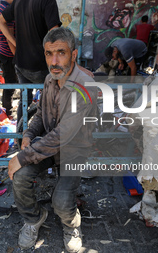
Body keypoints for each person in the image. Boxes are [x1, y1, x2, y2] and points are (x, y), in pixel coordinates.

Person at [7, 28, 96, 252]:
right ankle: (34, 218)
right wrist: (28, 135)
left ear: (73, 55)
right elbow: (40, 113)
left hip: (73, 151)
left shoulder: (85, 86)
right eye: (49, 54)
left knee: (62, 202)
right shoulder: (49, 79)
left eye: (61, 53)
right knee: (20, 177)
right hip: (48, 147)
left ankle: (71, 225)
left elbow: (64, 133)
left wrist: (23, 156)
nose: (54, 61)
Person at [0, 0, 62, 123]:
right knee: (51, 101)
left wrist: (16, 43)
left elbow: (0, 21)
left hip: (21, 64)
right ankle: (48, 137)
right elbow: (55, 34)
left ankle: (20, 137)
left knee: (25, 100)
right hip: (40, 66)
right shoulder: (47, 0)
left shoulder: (19, 0)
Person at [0, 0, 17, 116]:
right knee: (11, 83)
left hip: (4, 53)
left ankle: (7, 108)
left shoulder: (0, 9)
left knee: (10, 82)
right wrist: (17, 56)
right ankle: (7, 110)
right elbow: (10, 38)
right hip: (8, 54)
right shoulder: (7, 11)